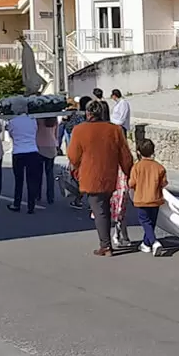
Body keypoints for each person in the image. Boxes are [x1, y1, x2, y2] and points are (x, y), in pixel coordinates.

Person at [68, 99, 134, 256]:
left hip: (90, 176)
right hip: (109, 175)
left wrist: (76, 170)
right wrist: (129, 173)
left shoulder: (79, 130)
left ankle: (105, 245)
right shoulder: (114, 130)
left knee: (99, 210)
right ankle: (107, 242)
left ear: (88, 113)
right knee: (104, 207)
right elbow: (125, 156)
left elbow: (73, 156)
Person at [129, 138, 167, 257]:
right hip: (155, 198)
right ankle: (146, 243)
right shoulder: (159, 167)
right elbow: (164, 183)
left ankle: (154, 242)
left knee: (145, 221)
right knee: (151, 222)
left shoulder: (137, 167)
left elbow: (131, 183)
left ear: (139, 152)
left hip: (141, 199)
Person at [6, 105, 42, 214]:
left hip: (18, 151)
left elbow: (11, 135)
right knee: (32, 180)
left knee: (19, 180)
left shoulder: (12, 122)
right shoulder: (32, 120)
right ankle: (31, 206)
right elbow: (35, 132)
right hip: (32, 151)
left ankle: (17, 204)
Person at [36, 117, 60, 205]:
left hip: (39, 146)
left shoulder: (38, 119)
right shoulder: (54, 119)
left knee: (38, 174)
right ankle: (50, 197)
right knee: (50, 173)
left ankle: (37, 195)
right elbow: (56, 134)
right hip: (51, 146)